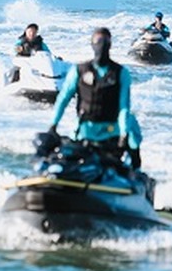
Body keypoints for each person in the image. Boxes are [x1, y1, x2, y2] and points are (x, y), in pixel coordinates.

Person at [48, 27, 143, 169]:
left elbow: (124, 107)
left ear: (110, 44)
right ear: (92, 44)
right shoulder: (79, 70)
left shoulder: (121, 73)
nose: (102, 44)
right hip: (84, 131)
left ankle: (136, 170)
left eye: (105, 41)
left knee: (133, 127)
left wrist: (124, 134)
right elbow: (63, 99)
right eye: (98, 40)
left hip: (111, 132)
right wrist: (53, 125)